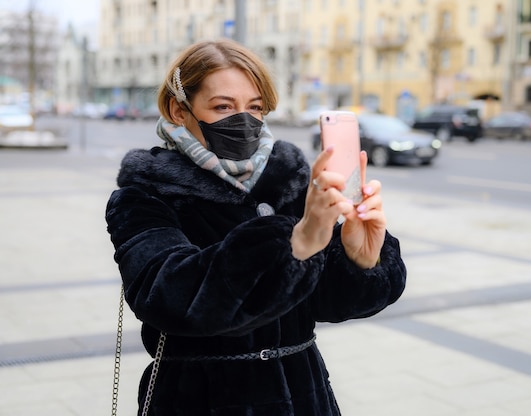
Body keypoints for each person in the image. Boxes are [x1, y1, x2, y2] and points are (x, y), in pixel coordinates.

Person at [105, 38, 406, 416]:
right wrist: (292, 245)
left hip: (303, 394)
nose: (243, 121)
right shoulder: (146, 194)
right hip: (201, 400)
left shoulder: (290, 181)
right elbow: (171, 296)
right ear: (178, 110)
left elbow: (328, 303)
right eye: (223, 107)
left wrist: (360, 259)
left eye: (255, 107)